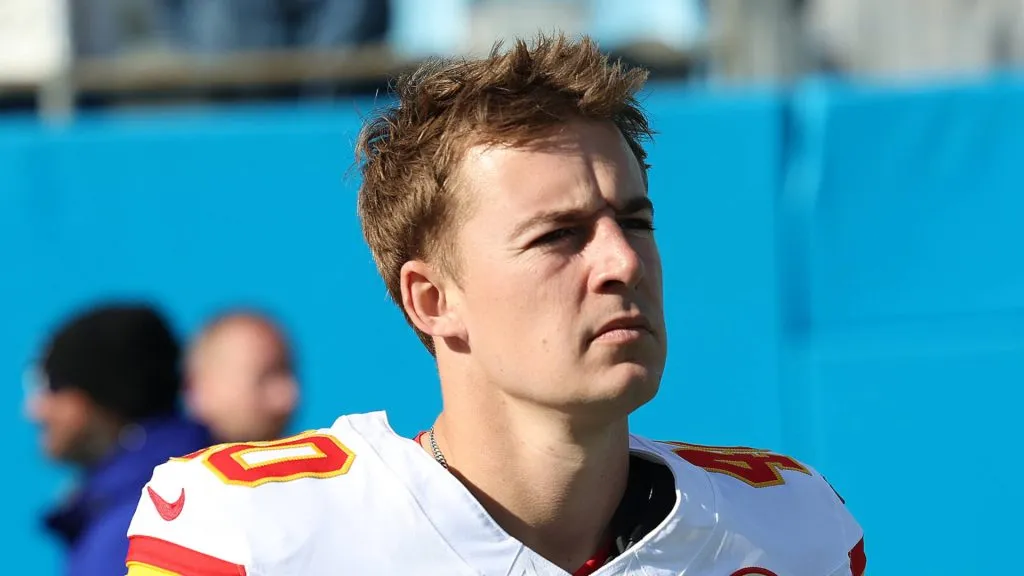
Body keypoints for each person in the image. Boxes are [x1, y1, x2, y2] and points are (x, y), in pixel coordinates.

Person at [124, 33, 865, 575]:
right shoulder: (254, 533)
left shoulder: (790, 530)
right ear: (433, 299)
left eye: (634, 222)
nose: (620, 261)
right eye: (558, 235)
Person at [27, 303, 212, 576]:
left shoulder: (141, 523)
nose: (34, 410)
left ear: (95, 397)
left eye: (50, 387)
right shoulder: (189, 484)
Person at [184, 310, 299, 443]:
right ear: (200, 387)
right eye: (265, 378)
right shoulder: (164, 460)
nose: (288, 398)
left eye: (286, 373)